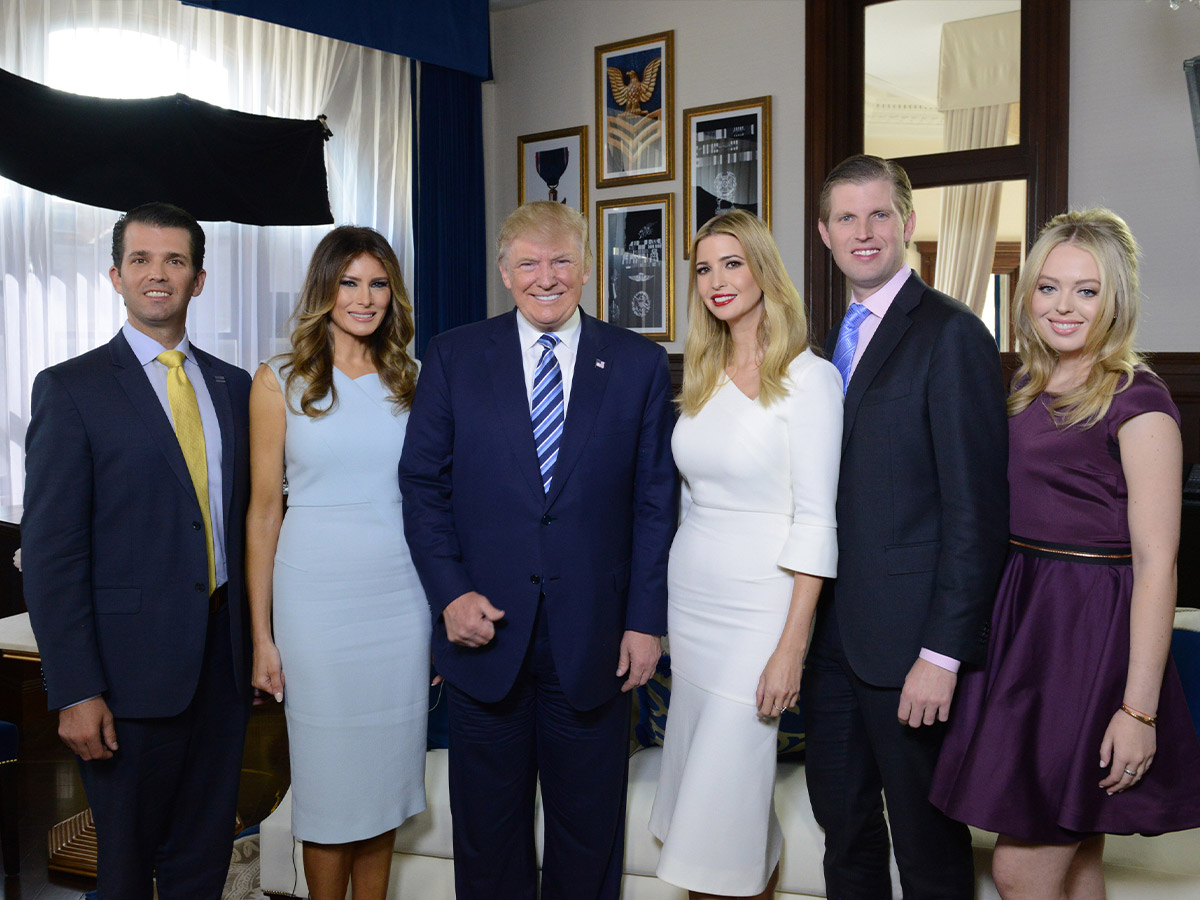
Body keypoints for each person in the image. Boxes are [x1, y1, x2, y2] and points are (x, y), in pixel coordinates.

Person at [398, 201, 676, 900]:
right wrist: (450, 595)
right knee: (488, 838)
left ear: (586, 269)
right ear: (504, 271)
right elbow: (422, 486)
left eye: (560, 262)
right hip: (483, 633)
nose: (544, 278)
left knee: (588, 835)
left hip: (598, 639)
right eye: (528, 262)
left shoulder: (640, 365)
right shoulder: (455, 355)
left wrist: (646, 621)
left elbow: (655, 503)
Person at [930, 209, 1200, 898]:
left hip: (1089, 635)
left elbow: (1158, 565)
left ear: (1116, 299)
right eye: (1049, 287)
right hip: (1027, 620)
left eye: (1086, 290)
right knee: (1076, 862)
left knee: (1021, 871)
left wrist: (1138, 713)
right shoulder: (1026, 385)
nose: (1064, 305)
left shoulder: (1140, 401)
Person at [22, 202, 252, 900]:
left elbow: (254, 525)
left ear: (200, 278)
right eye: (143, 261)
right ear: (116, 277)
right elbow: (54, 555)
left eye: (176, 261)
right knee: (122, 871)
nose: (160, 275)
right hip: (125, 679)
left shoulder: (235, 388)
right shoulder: (72, 389)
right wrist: (77, 689)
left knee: (202, 863)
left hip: (223, 664)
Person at [803, 154, 1010, 899]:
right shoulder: (826, 345)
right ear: (825, 233)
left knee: (928, 852)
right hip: (829, 645)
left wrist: (943, 655)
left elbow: (976, 514)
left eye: (879, 215)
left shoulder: (952, 335)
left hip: (910, 650)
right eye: (847, 218)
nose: (865, 232)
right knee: (844, 834)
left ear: (909, 225)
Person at [648, 211, 842, 899]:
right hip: (694, 605)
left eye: (732, 263)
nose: (717, 280)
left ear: (763, 268)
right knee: (717, 809)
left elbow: (818, 521)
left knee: (719, 813)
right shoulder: (702, 374)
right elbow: (688, 502)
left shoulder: (810, 379)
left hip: (762, 608)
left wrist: (792, 645)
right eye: (704, 268)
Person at [245, 226, 428, 900]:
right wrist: (262, 636)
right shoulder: (279, 380)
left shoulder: (413, 379)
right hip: (315, 605)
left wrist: (438, 615)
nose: (366, 297)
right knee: (328, 785)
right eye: (350, 282)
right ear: (325, 289)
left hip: (401, 599)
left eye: (378, 283)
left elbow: (433, 505)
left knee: (382, 783)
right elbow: (263, 514)